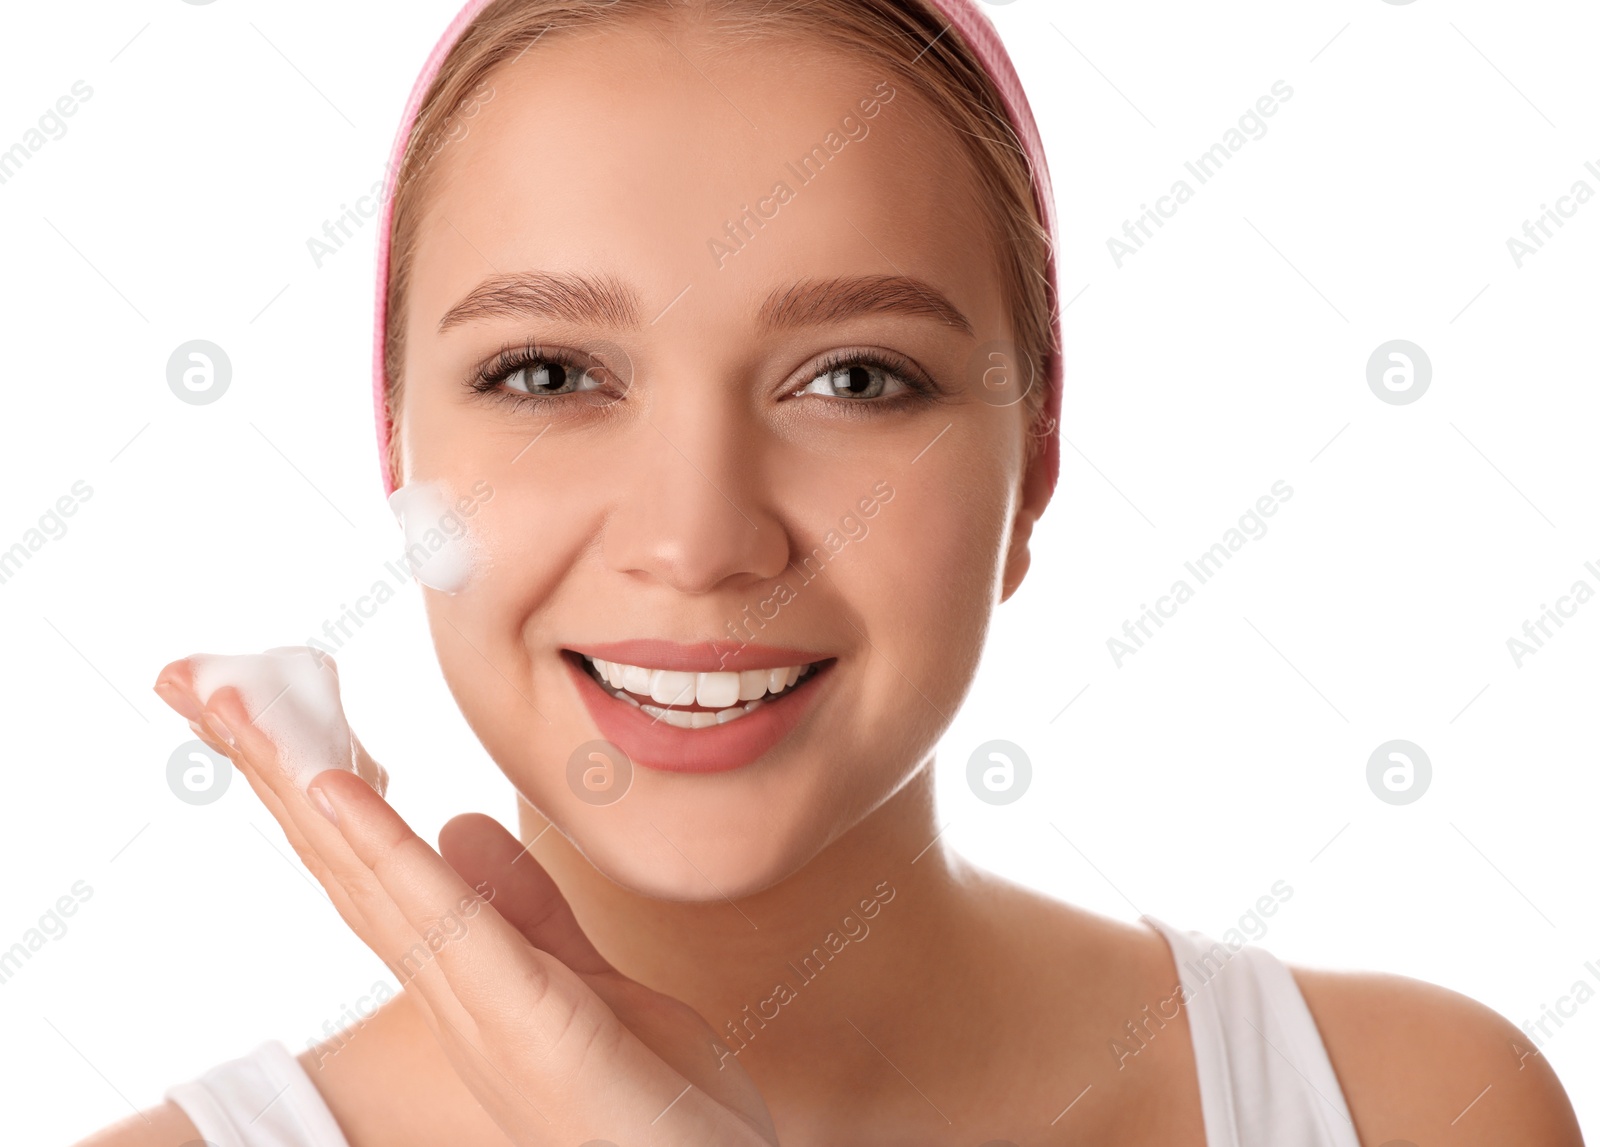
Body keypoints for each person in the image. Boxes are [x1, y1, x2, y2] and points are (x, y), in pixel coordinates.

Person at [84, 0, 1584, 1143]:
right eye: (546, 374)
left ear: (1035, 464)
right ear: (396, 446)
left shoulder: (1415, 1110)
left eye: (857, 379)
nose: (697, 539)